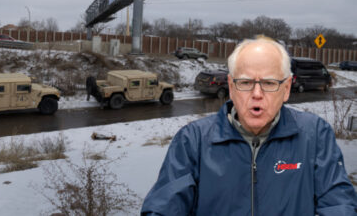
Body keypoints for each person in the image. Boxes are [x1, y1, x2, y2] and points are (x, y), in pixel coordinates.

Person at [141, 36, 357, 216]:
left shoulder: (315, 135)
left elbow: (339, 205)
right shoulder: (193, 140)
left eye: (270, 83)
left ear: (287, 88)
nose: (256, 94)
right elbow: (163, 208)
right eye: (245, 83)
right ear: (232, 87)